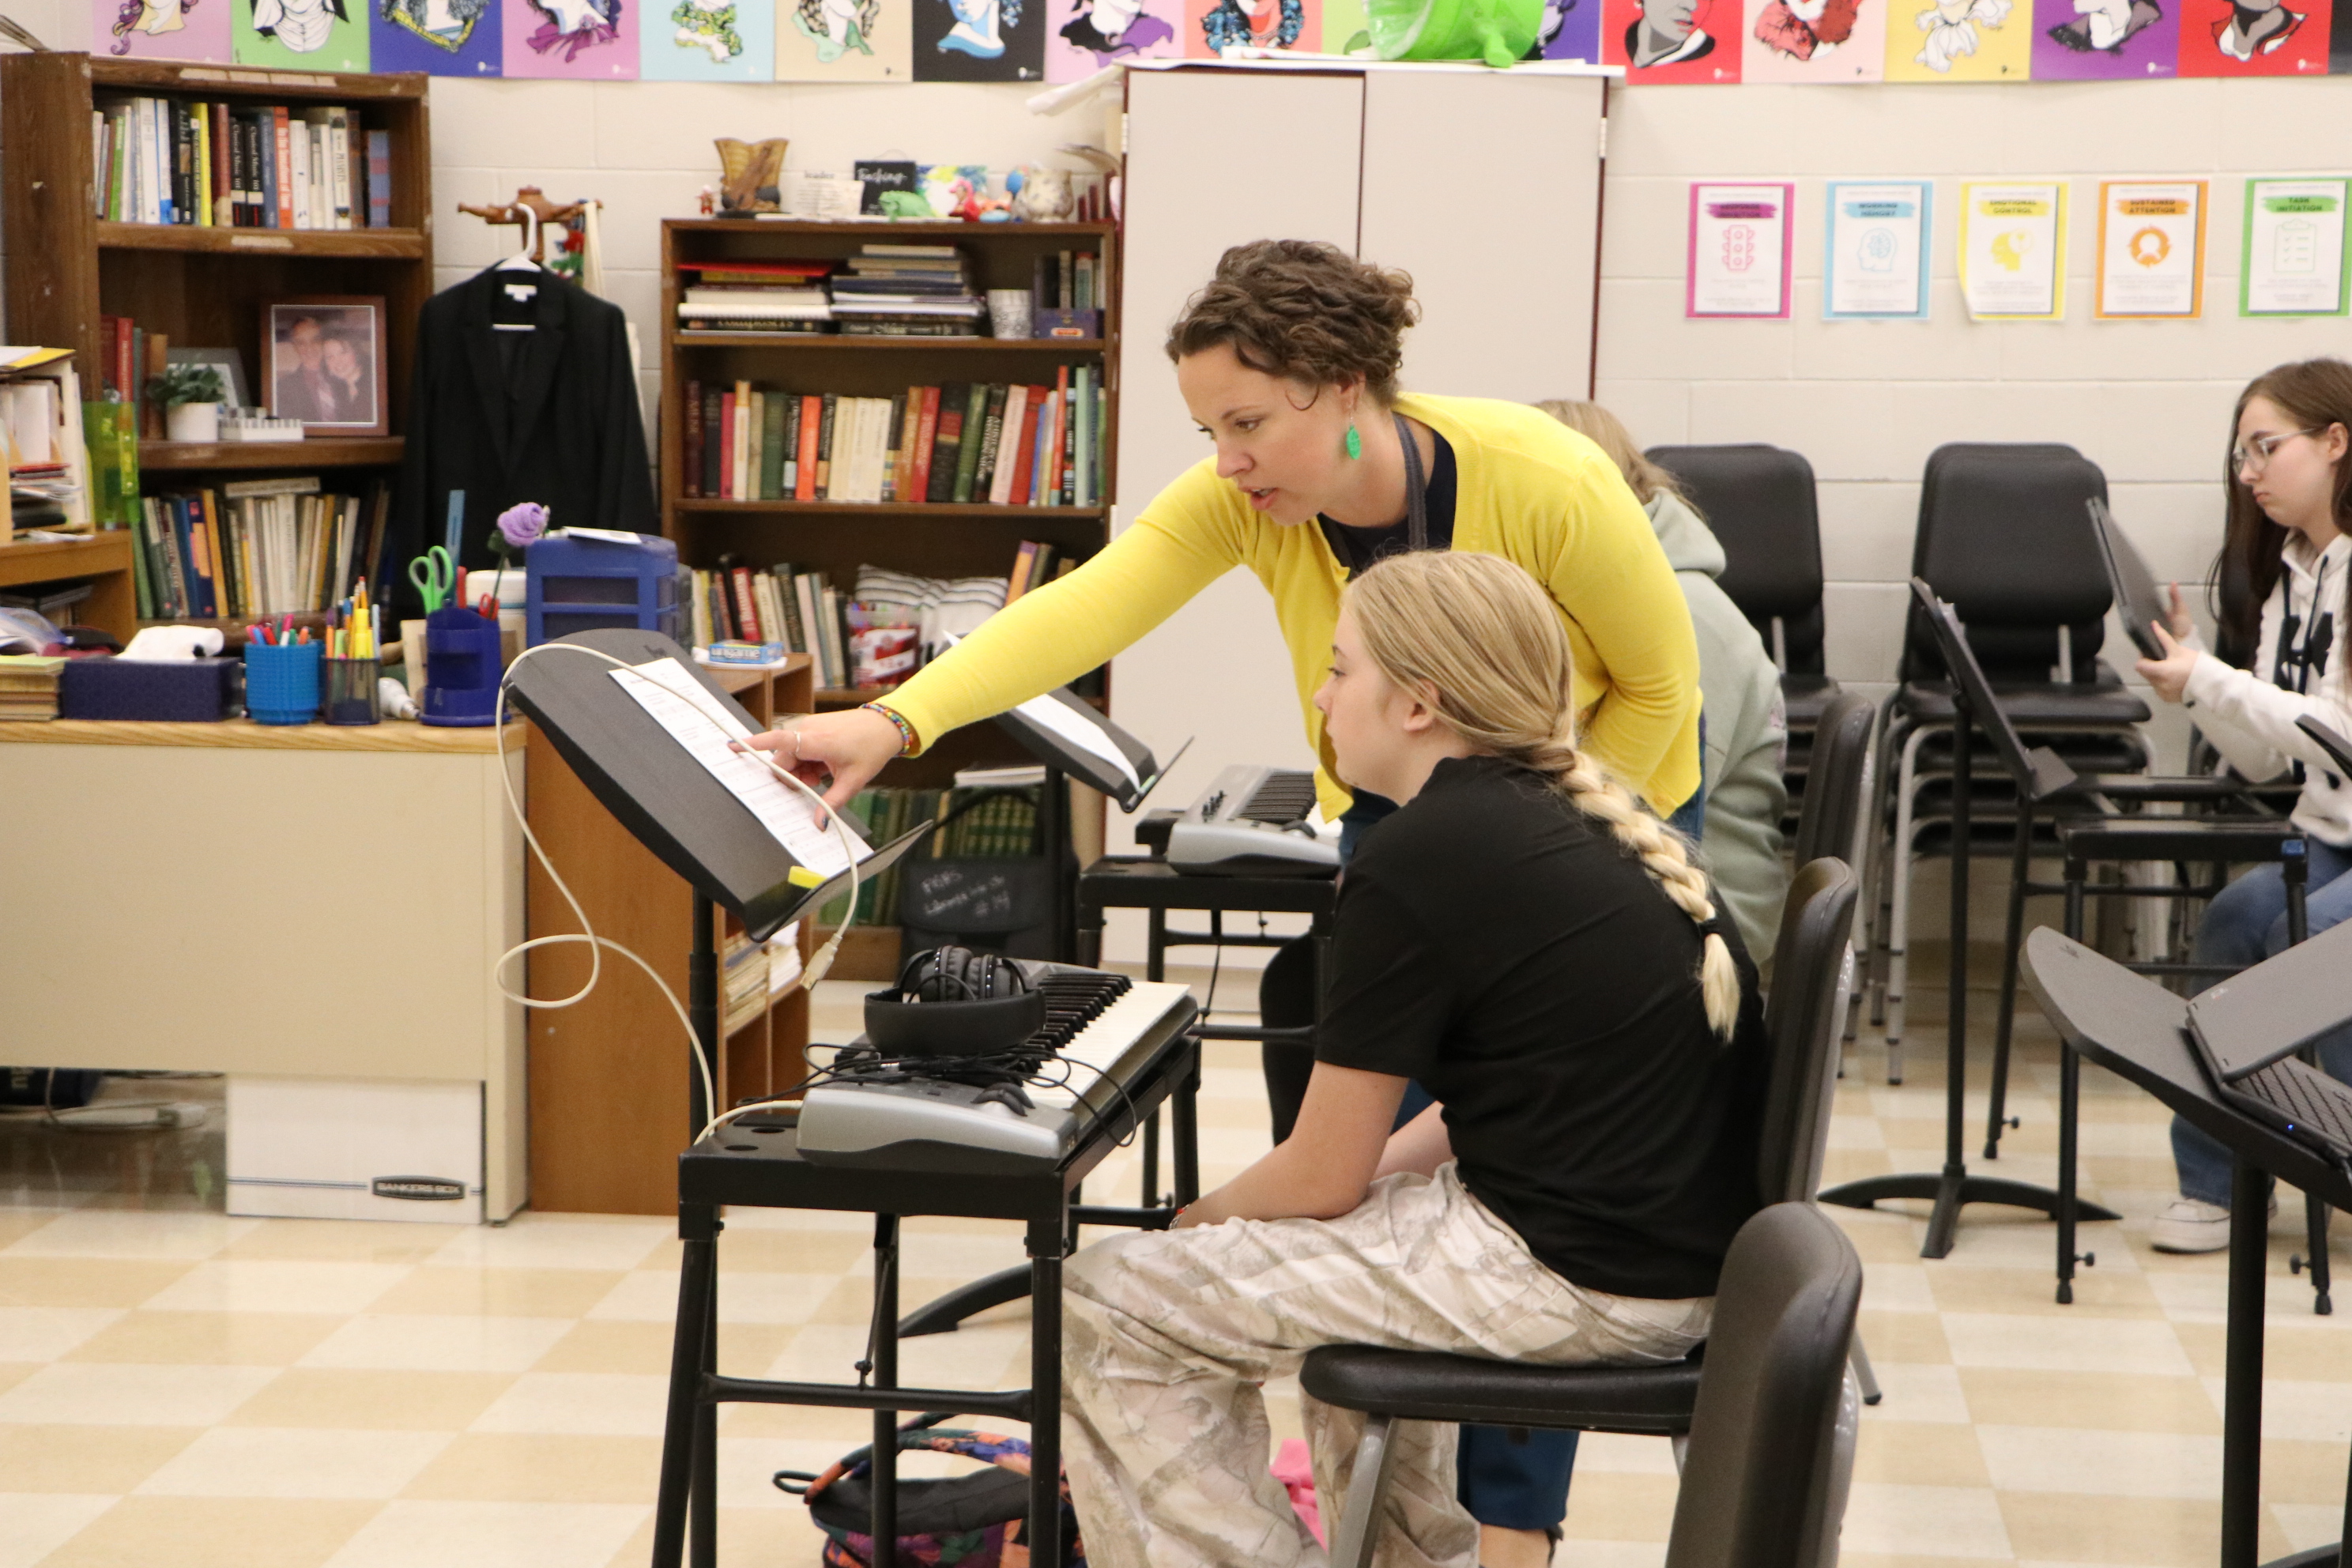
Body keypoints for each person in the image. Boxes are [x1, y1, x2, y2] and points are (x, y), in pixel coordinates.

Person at [1058, 550, 1767, 1568]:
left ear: (1419, 704)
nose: (1321, 695)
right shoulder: (1555, 820)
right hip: (1662, 1259)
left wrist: (1200, 1220)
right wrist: (1325, 1206)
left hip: (1581, 1279)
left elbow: (1320, 1170)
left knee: (1108, 1298)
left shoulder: (1422, 854)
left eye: (1339, 668)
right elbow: (1491, 1104)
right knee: (1323, 1253)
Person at [2139, 357, 2352, 1254]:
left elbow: (2342, 732)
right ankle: (2220, 1184)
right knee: (2235, 918)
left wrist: (2214, 680)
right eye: (2242, 456)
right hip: (2330, 833)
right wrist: (2196, 686)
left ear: (2336, 441)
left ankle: (2340, 1158)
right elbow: (2267, 759)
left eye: (2267, 448)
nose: (2250, 473)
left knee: (2322, 943)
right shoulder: (2291, 570)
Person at [1536, 399, 1790, 964]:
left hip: (1711, 927)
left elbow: (1643, 812)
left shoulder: (1686, 612)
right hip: (1662, 900)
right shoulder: (1633, 590)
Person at [273, 315, 340, 422]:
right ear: (295, 346)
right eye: (301, 343)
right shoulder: (283, 387)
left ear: (324, 341)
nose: (309, 348)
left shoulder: (342, 376)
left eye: (315, 340)